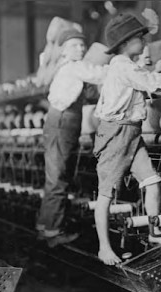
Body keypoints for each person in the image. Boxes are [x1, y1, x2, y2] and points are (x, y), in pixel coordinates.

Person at [93, 13, 161, 265]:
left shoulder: (126, 66)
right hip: (116, 134)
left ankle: (154, 233)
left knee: (152, 182)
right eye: (139, 37)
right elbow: (152, 82)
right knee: (106, 194)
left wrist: (160, 68)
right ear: (125, 43)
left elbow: (146, 79)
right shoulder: (122, 66)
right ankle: (103, 248)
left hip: (132, 132)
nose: (144, 41)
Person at [37, 27, 108, 247]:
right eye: (75, 45)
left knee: (56, 177)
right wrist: (124, 66)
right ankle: (54, 232)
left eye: (81, 45)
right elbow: (101, 74)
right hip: (63, 122)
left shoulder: (64, 67)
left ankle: (46, 226)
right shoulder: (75, 67)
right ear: (65, 51)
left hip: (59, 121)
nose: (81, 48)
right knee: (58, 178)